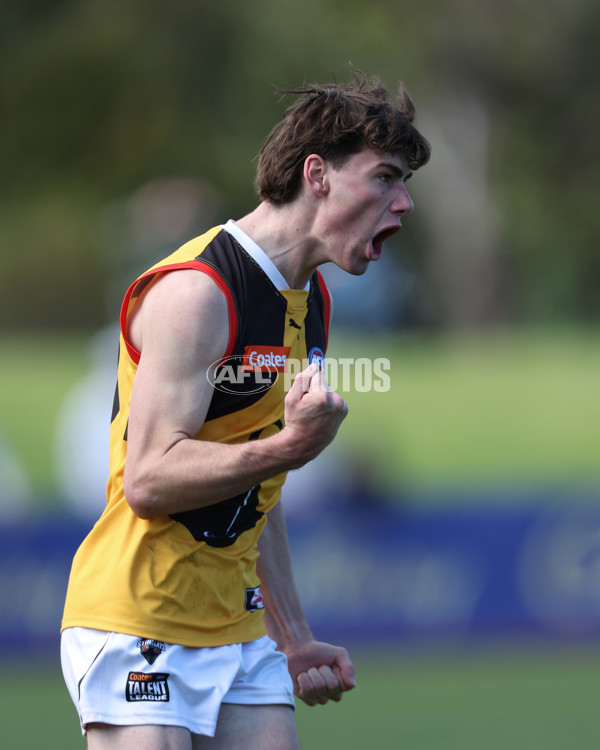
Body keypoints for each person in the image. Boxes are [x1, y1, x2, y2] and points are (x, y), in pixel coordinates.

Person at [60, 69, 431, 749]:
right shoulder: (199, 291)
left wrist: (294, 637)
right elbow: (149, 480)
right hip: (138, 620)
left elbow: (256, 486)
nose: (403, 202)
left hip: (239, 630)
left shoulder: (310, 300)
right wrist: (291, 447)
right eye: (385, 177)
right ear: (317, 174)